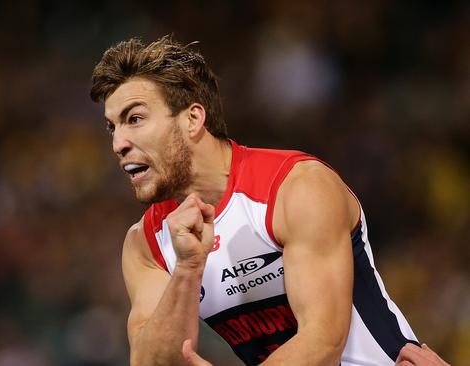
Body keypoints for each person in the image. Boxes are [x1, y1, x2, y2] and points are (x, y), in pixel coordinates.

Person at [89, 36, 449, 366]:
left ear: (193, 119)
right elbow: (153, 363)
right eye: (112, 127)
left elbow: (322, 342)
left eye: (134, 119)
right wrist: (187, 269)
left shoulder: (296, 186)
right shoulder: (146, 243)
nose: (118, 143)